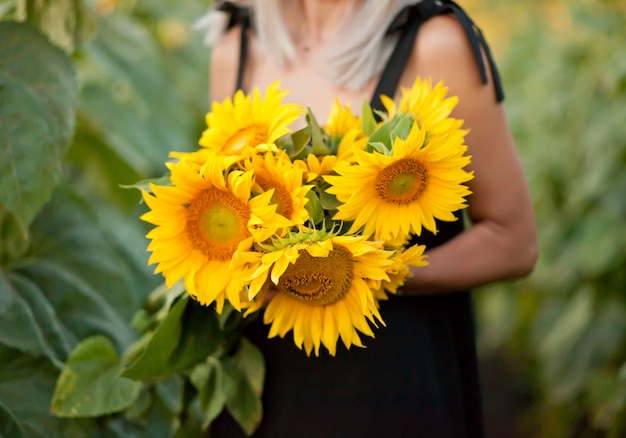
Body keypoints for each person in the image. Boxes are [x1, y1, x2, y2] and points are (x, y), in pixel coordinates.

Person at [200, 0, 538, 436]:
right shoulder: (235, 47)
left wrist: (367, 274)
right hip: (266, 386)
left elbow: (513, 241)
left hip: (392, 382)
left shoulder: (435, 44)